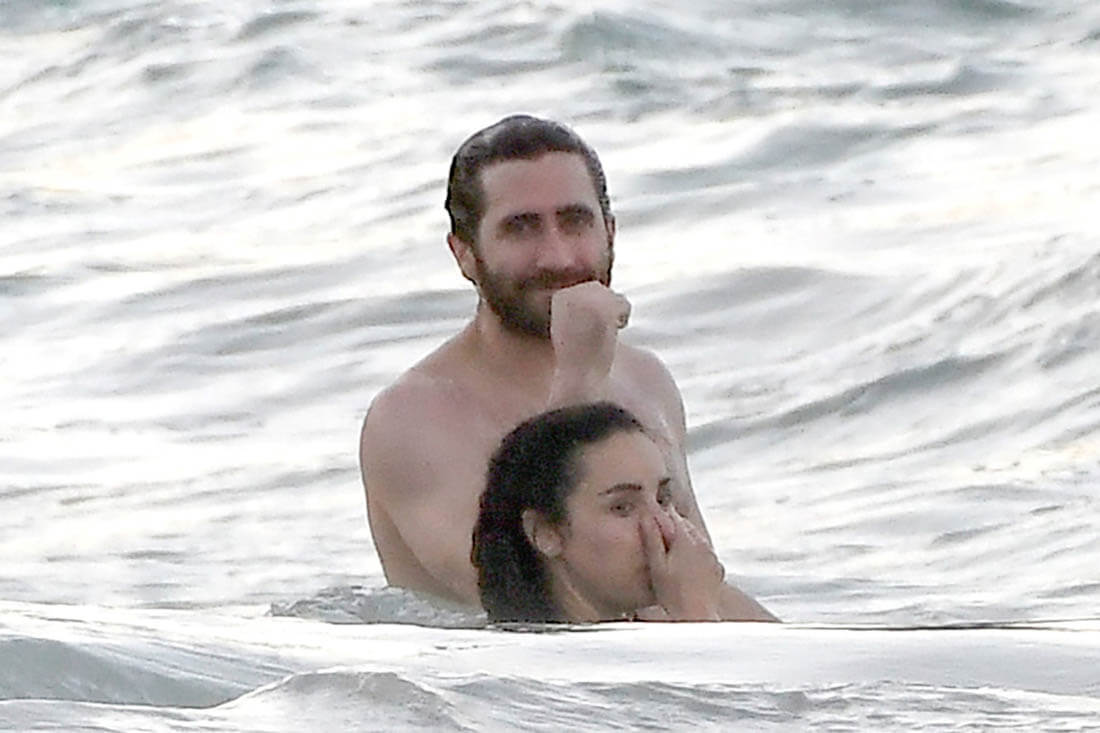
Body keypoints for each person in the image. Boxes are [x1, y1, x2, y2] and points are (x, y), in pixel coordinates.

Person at [359, 114, 775, 621]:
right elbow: (540, 602)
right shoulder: (414, 418)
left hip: (663, 661)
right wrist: (578, 382)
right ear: (464, 253)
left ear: (610, 231)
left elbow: (695, 580)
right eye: (521, 228)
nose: (557, 257)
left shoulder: (646, 381)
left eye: (576, 222)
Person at [472, 402, 730, 623]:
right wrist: (696, 613)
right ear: (545, 532)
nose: (666, 529)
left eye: (662, 500)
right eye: (622, 508)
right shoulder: (543, 660)